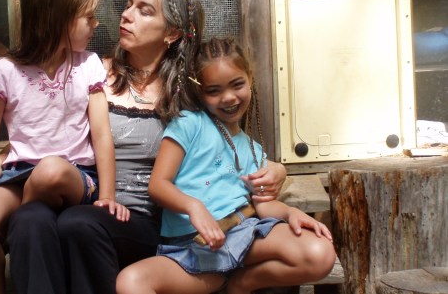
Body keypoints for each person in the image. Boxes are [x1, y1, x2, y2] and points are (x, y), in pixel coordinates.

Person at [0, 0, 288, 294]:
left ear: (172, 33)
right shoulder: (88, 71)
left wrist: (277, 169)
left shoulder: (188, 94)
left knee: (79, 224)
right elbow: (33, 129)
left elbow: (228, 142)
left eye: (144, 10)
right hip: (78, 194)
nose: (126, 15)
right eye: (128, 5)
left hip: (142, 218)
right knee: (29, 220)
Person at [116, 37, 337, 294]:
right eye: (214, 90)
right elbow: (158, 185)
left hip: (245, 235)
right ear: (200, 92)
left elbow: (263, 204)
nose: (228, 97)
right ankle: (224, 279)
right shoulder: (189, 123)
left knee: (320, 253)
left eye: (237, 84)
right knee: (130, 281)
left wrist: (290, 213)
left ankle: (242, 283)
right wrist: (193, 206)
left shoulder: (254, 150)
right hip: (192, 250)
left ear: (250, 78)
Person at [0, 0, 126, 294]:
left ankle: (9, 237)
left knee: (49, 170)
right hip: (19, 176)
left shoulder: (88, 64)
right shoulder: (4, 71)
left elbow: (101, 135)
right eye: (88, 17)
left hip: (74, 175)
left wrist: (107, 196)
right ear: (57, 19)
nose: (96, 24)